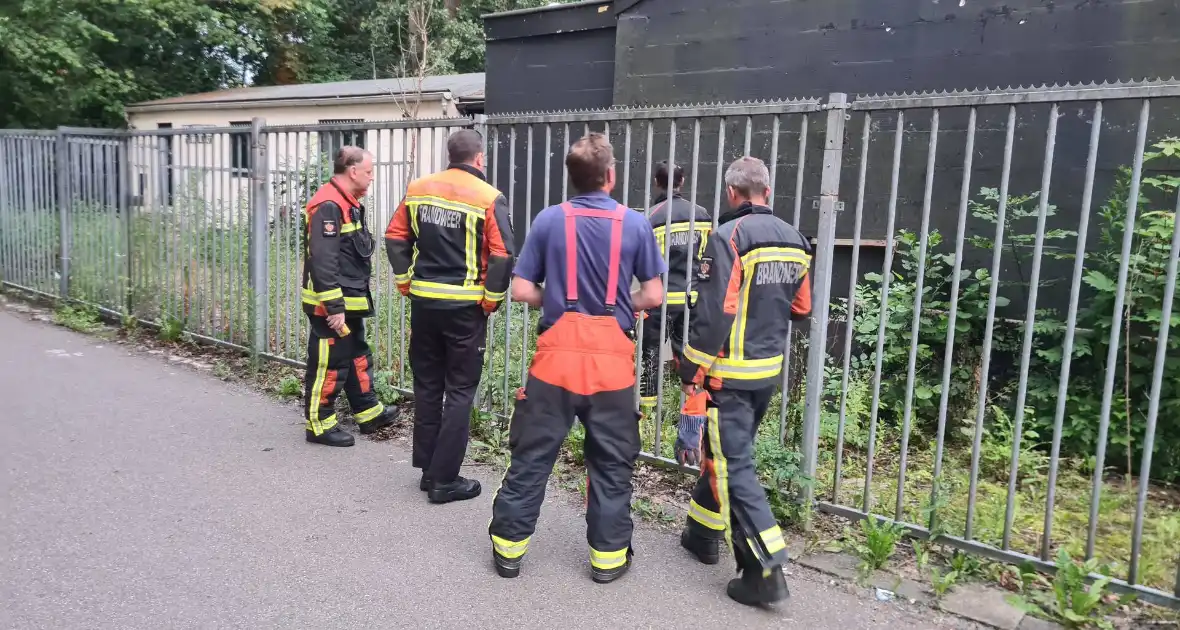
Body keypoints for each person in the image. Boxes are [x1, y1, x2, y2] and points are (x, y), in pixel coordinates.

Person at [488, 132, 666, 584]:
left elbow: (523, 288)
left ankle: (508, 552)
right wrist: (622, 306)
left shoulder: (549, 220)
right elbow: (654, 293)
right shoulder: (636, 223)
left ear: (572, 177)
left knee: (532, 454)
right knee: (610, 461)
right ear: (611, 175)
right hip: (611, 360)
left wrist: (560, 302)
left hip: (556, 358)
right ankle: (607, 561)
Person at [674, 156, 812, 607]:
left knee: (735, 469)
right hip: (765, 373)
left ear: (733, 193)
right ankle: (701, 533)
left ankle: (764, 568)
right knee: (726, 456)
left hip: (727, 377)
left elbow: (716, 313)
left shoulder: (729, 236)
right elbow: (802, 308)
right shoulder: (796, 240)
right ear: (766, 192)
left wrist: (691, 373)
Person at [385, 129, 515, 504]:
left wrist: (405, 280)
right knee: (459, 391)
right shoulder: (488, 197)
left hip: (425, 304)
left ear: (450, 154)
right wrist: (491, 300)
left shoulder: (419, 188)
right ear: (479, 159)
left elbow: (395, 238)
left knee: (427, 386)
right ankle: (445, 480)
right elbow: (503, 254)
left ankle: (428, 470)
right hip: (465, 309)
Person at [300, 146, 397, 447]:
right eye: (368, 172)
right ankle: (319, 423)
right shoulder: (329, 205)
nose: (371, 178)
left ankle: (368, 411)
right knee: (329, 360)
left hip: (347, 299)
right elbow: (323, 260)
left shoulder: (346, 201)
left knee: (355, 352)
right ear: (353, 171)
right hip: (330, 305)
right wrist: (334, 307)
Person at [637, 160, 713, 432]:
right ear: (682, 182)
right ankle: (692, 410)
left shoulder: (652, 216)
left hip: (660, 298)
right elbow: (707, 257)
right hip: (692, 297)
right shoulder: (702, 215)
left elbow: (644, 262)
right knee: (689, 353)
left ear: (657, 182)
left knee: (651, 353)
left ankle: (646, 415)